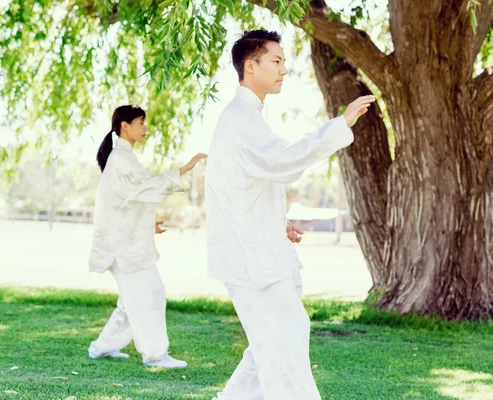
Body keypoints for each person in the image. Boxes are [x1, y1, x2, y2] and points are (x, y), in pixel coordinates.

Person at [205, 29, 375, 399]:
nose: (285, 69)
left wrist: (276, 221)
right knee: (285, 340)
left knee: (271, 343)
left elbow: (246, 185)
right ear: (251, 66)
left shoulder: (247, 117)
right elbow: (282, 162)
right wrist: (340, 124)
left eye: (284, 61)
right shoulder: (240, 118)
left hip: (256, 249)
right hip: (249, 258)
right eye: (276, 61)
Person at [88, 104, 207, 368]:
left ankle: (103, 347)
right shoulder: (120, 159)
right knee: (149, 294)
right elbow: (144, 188)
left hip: (127, 242)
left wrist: (145, 225)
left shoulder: (123, 158)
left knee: (133, 299)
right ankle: (155, 355)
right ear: (125, 126)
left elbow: (129, 200)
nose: (145, 128)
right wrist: (184, 168)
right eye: (140, 123)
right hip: (124, 247)